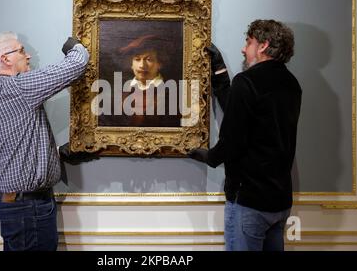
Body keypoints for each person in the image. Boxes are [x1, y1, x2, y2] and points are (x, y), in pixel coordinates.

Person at [189, 20, 302, 251]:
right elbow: (244, 111)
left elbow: (232, 141)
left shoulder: (247, 81)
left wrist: (208, 156)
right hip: (280, 203)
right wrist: (220, 71)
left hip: (250, 201)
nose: (243, 49)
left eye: (248, 42)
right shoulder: (292, 84)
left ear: (263, 45)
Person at [0, 32, 89, 251]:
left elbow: (16, 146)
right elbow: (76, 65)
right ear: (5, 59)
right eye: (21, 51)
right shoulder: (16, 88)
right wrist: (76, 46)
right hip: (27, 207)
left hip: (22, 204)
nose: (28, 55)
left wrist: (57, 154)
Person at [99, 34, 181, 127]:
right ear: (131, 64)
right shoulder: (118, 93)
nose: (142, 65)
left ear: (159, 63)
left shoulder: (174, 94)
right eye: (137, 59)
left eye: (149, 59)